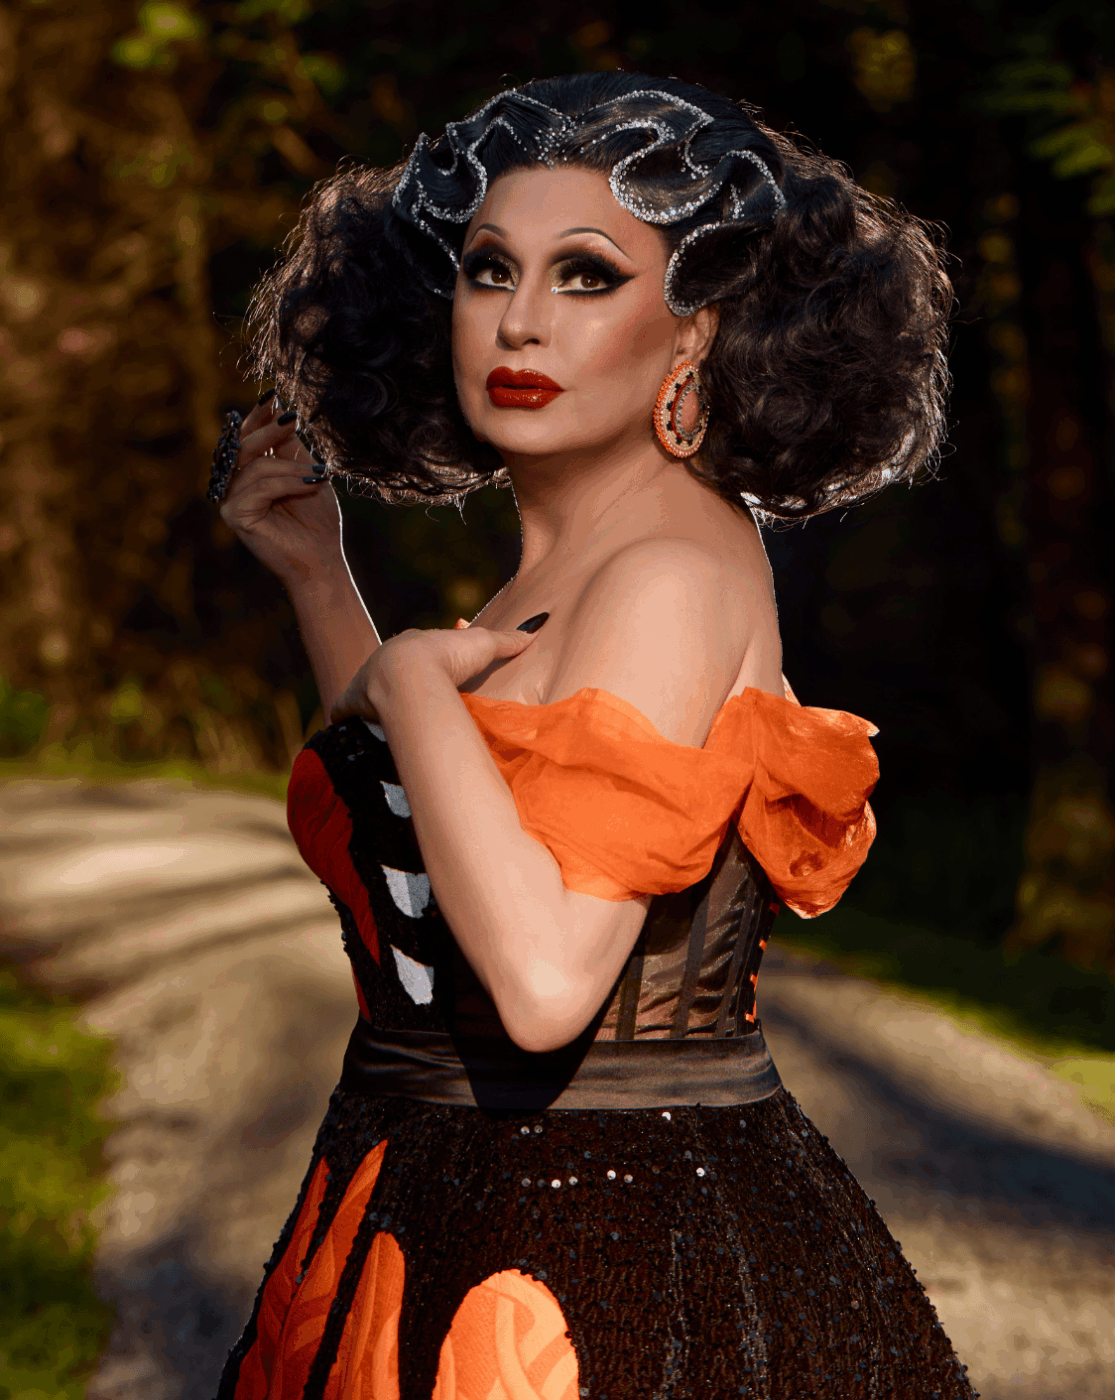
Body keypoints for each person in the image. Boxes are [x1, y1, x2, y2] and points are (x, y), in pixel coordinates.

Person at [211, 72, 972, 1400]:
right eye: (488, 268)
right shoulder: (573, 565)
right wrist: (321, 580)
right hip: (431, 1198)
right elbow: (439, 833)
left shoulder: (663, 573)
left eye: (586, 276)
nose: (518, 320)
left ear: (698, 332)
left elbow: (546, 984)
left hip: (603, 1261)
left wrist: (411, 685)